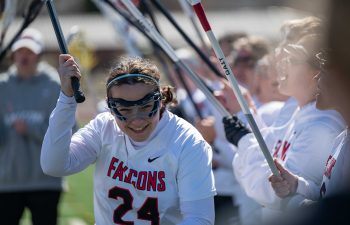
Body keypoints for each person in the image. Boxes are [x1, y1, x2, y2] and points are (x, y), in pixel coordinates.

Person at [41, 56, 216, 225]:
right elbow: (54, 165)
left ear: (160, 101)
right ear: (110, 107)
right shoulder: (104, 128)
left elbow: (200, 219)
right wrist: (67, 98)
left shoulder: (187, 142)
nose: (137, 120)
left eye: (146, 106)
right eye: (125, 109)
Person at [223, 34, 346, 218]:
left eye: (292, 59)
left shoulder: (324, 128)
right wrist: (296, 184)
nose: (280, 65)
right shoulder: (295, 113)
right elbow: (248, 173)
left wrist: (245, 138)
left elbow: (271, 194)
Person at [268, 49, 350, 212]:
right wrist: (297, 185)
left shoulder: (326, 131)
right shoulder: (343, 137)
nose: (316, 77)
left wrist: (294, 203)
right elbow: (328, 196)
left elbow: (340, 213)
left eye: (324, 71)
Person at [0, 28, 63, 224]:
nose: (24, 56)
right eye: (20, 51)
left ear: (39, 55)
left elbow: (68, 132)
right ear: (13, 53)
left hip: (45, 181)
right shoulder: (2, 86)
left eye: (30, 51)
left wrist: (31, 129)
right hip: (7, 181)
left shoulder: (55, 85)